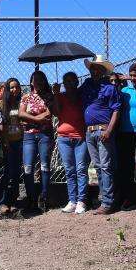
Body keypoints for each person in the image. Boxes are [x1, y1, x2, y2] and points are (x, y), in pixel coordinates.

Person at [79, 56, 122, 215]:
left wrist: (109, 130)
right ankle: (104, 198)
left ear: (103, 71)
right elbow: (74, 95)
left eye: (98, 68)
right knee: (98, 166)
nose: (94, 71)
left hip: (103, 131)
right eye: (92, 68)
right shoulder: (86, 85)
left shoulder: (110, 88)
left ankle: (108, 202)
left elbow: (116, 110)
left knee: (105, 166)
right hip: (89, 131)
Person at [20, 70, 55, 214]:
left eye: (41, 79)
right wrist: (38, 119)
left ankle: (44, 197)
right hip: (29, 136)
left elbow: (50, 113)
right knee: (28, 167)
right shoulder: (26, 97)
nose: (38, 82)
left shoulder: (49, 96)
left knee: (45, 166)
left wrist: (30, 118)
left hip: (44, 135)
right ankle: (31, 199)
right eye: (36, 80)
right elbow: (21, 114)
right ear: (31, 82)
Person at [55, 71, 88, 214]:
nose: (69, 83)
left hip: (80, 137)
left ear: (77, 82)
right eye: (66, 81)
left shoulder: (83, 96)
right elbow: (56, 112)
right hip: (64, 138)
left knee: (81, 169)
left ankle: (81, 201)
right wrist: (56, 94)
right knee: (69, 170)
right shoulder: (61, 96)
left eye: (72, 80)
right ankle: (72, 200)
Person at [117, 63, 136, 210]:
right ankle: (128, 197)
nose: (133, 78)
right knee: (126, 165)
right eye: (131, 75)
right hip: (126, 131)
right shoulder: (125, 91)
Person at [0, 77, 25, 216]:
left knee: (16, 174)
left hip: (20, 141)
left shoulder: (22, 102)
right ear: (7, 90)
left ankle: (13, 202)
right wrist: (5, 142)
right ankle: (3, 202)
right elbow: (0, 126)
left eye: (16, 87)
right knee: (6, 173)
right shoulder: (2, 104)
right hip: (7, 143)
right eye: (11, 87)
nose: (14, 90)